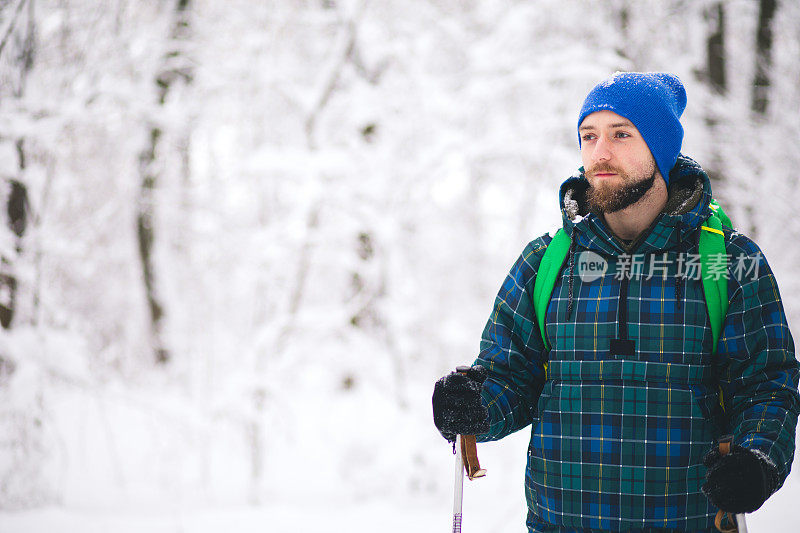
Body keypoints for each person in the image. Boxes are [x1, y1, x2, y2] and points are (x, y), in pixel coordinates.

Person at [431, 72, 800, 532]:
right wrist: (475, 403)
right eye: (589, 136)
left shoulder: (726, 261)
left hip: (688, 521)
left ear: (660, 149)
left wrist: (758, 457)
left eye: (621, 134)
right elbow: (512, 376)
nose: (600, 152)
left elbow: (767, 382)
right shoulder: (546, 261)